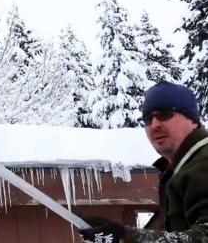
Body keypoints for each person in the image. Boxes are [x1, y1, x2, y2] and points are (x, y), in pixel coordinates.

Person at [78, 81, 208, 243]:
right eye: (147, 119)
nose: (154, 125)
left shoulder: (202, 164)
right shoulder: (183, 168)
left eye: (165, 114)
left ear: (193, 120)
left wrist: (126, 236)